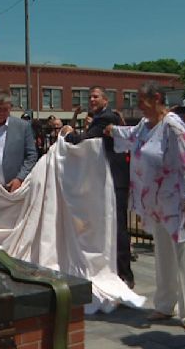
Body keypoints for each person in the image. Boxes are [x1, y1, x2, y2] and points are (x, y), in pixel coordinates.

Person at [104, 80, 185, 333]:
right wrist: (111, 130)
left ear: (157, 98)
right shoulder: (143, 125)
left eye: (142, 100)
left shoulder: (173, 126)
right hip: (158, 203)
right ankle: (165, 303)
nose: (138, 105)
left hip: (180, 202)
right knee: (163, 255)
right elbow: (129, 137)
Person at [61, 85, 134, 289]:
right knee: (108, 224)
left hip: (115, 179)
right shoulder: (99, 118)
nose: (91, 100)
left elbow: (84, 140)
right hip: (104, 179)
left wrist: (68, 133)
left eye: (96, 96)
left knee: (118, 226)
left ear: (105, 100)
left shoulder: (105, 118)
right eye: (90, 97)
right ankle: (114, 268)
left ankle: (125, 273)